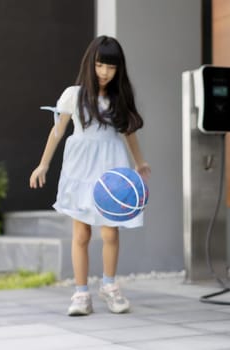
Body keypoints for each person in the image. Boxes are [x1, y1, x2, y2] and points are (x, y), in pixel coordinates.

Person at [29, 36, 150, 316]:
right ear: (90, 64)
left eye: (111, 67)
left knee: (110, 230)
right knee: (81, 233)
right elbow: (58, 130)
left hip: (111, 166)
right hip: (81, 167)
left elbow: (128, 132)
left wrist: (140, 162)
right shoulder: (74, 95)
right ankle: (81, 293)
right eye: (99, 65)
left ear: (119, 69)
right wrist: (43, 164)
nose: (105, 72)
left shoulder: (119, 98)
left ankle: (109, 285)